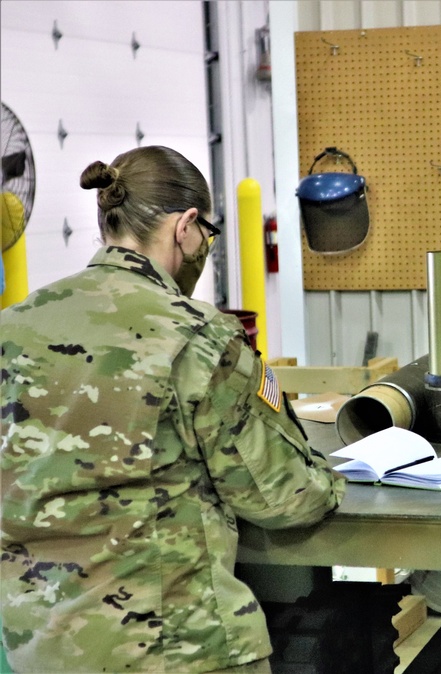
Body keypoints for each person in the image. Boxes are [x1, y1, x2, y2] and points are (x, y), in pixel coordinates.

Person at [0, 146, 346, 673]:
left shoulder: (13, 329)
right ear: (186, 226)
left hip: (39, 651)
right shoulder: (197, 336)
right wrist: (328, 475)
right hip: (174, 648)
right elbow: (285, 498)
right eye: (207, 234)